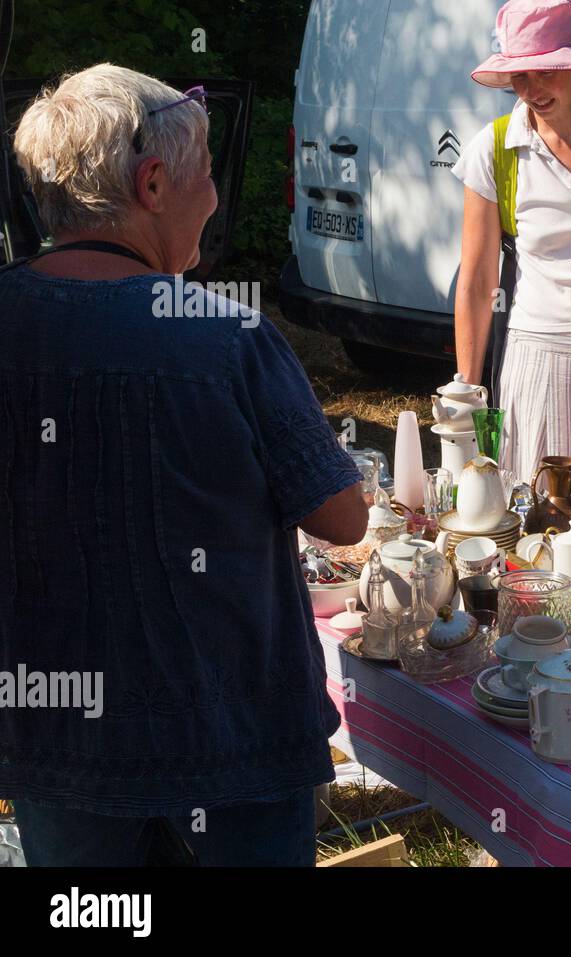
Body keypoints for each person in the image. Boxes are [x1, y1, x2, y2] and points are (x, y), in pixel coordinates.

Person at [0, 64, 366, 866]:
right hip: (229, 744)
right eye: (205, 177)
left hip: (59, 745)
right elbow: (342, 518)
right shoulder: (221, 336)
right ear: (154, 183)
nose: (215, 198)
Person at [453, 0, 571, 484]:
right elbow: (478, 277)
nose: (531, 89)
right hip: (539, 355)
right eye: (519, 75)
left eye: (545, 71)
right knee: (541, 516)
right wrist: (466, 387)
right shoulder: (493, 146)